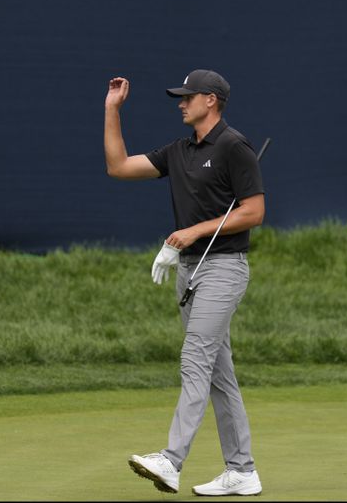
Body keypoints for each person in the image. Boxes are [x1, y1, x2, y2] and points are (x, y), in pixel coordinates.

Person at [103, 70, 265, 497]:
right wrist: (111, 110)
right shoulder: (178, 151)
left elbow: (253, 211)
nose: (181, 102)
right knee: (217, 375)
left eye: (188, 96)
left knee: (195, 358)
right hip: (190, 272)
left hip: (225, 268)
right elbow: (118, 167)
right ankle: (242, 470)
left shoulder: (234, 146)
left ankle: (171, 461)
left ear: (210, 100)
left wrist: (195, 231)